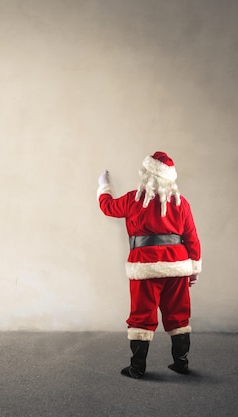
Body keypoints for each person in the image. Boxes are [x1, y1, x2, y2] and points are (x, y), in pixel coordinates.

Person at [97, 151, 202, 379]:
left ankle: (137, 368)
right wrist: (194, 268)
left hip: (145, 267)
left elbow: (108, 207)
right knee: (178, 315)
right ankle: (181, 363)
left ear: (146, 175)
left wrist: (104, 186)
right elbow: (192, 237)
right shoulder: (181, 203)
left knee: (142, 316)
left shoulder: (133, 199)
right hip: (177, 266)